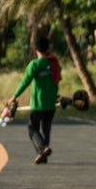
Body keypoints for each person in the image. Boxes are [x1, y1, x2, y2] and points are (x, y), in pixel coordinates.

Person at [8, 35, 60, 164]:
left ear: (35, 48)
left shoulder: (34, 64)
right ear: (47, 48)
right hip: (51, 104)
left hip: (38, 104)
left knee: (32, 128)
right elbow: (56, 81)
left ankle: (42, 149)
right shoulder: (53, 63)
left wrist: (15, 96)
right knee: (46, 130)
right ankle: (44, 156)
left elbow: (26, 81)